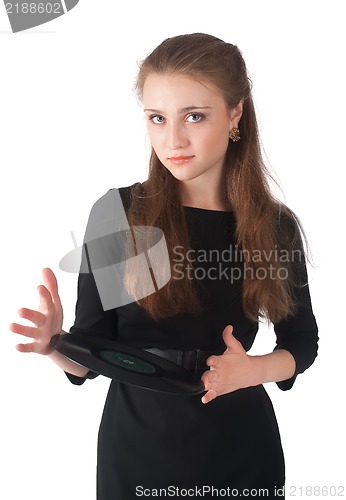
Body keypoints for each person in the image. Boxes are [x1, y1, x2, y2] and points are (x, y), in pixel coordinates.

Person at [10, 33, 318, 499]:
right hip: (136, 450)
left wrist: (253, 370)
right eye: (157, 118)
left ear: (236, 113)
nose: (172, 139)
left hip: (240, 450)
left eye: (194, 116)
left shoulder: (273, 227)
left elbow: (302, 343)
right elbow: (88, 360)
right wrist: (54, 344)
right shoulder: (118, 213)